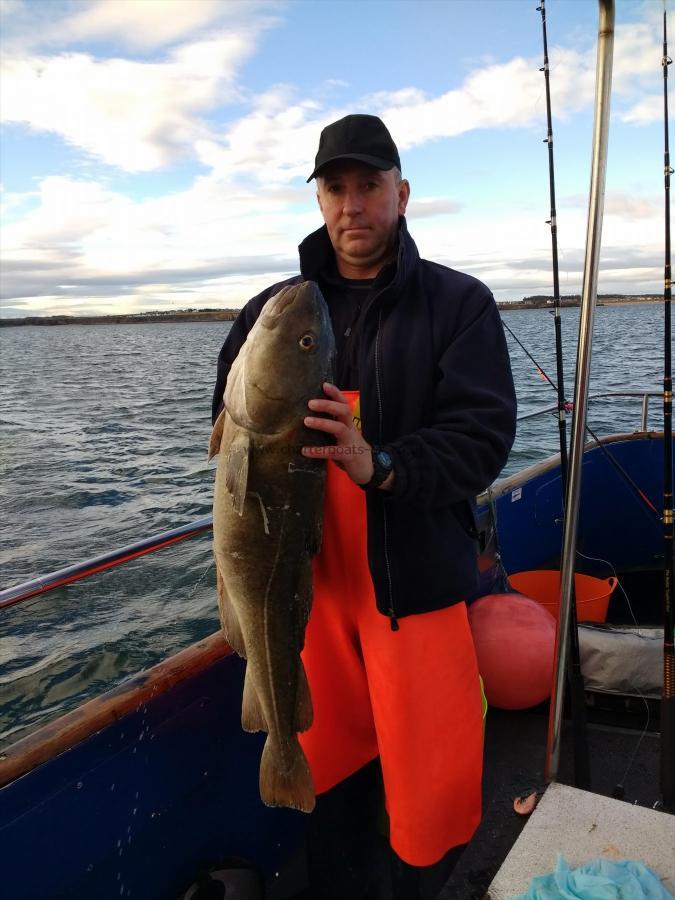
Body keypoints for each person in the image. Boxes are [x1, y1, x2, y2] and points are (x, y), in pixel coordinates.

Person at [212, 114, 517, 900]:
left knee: (428, 797)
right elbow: (226, 422)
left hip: (410, 591)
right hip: (308, 597)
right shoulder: (270, 310)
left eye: (369, 186)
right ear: (319, 200)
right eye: (335, 188)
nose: (353, 204)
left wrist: (374, 461)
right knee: (333, 784)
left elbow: (479, 441)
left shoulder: (459, 304)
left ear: (401, 193)